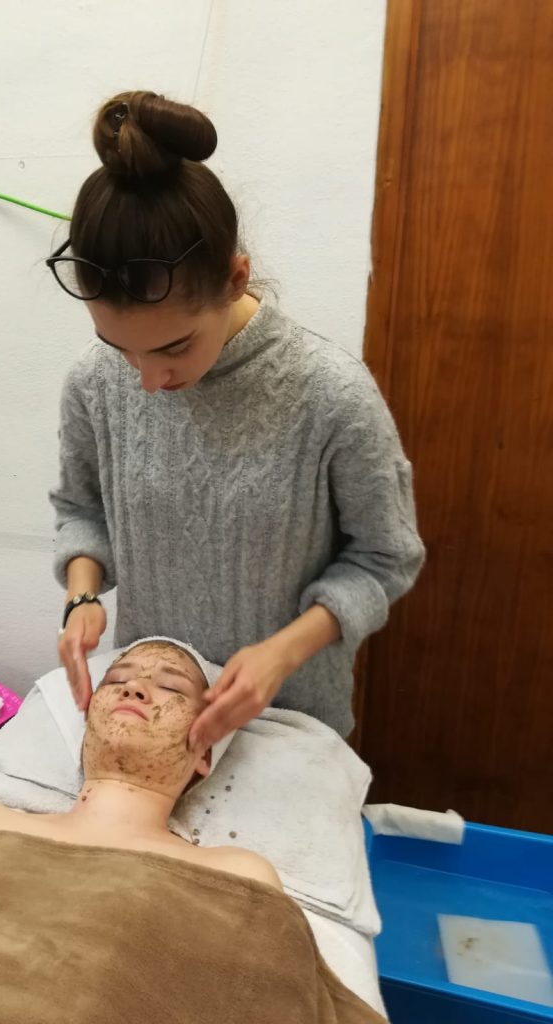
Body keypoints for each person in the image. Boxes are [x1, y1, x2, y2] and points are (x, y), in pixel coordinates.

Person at [50, 90, 426, 751]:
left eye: (173, 347)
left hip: (287, 723)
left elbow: (385, 559)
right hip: (153, 722)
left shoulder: (330, 394)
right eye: (120, 348)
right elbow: (83, 511)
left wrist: (283, 651)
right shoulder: (93, 381)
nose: (146, 381)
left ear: (234, 278)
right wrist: (83, 596)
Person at [0, 640, 385, 1023]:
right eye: (118, 679)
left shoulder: (236, 873)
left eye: (172, 688)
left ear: (205, 754)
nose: (135, 687)